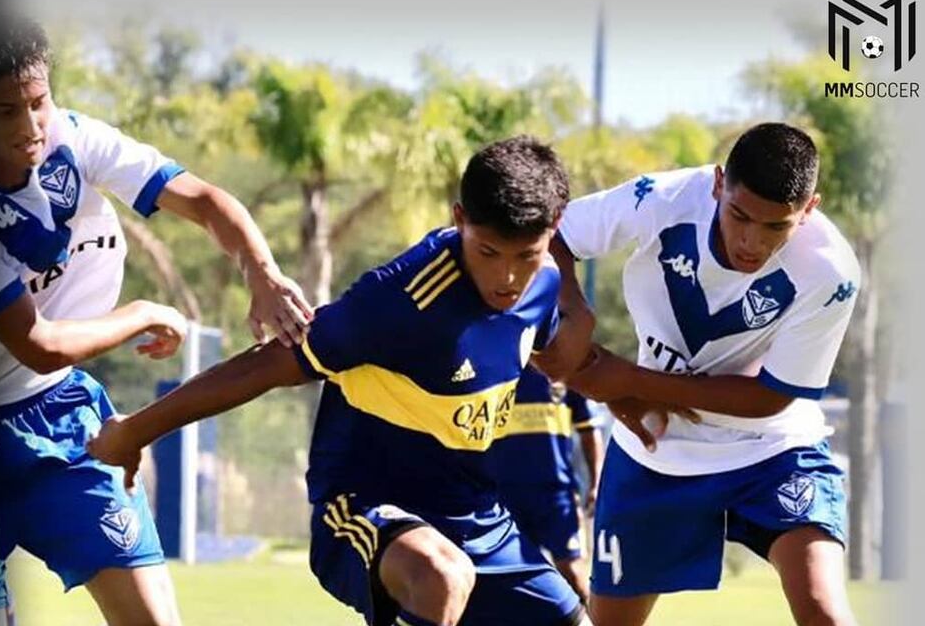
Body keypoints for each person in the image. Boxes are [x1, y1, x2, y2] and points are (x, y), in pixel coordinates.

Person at [88, 135, 594, 626]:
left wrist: (633, 396)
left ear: (553, 232)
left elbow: (568, 359)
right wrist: (137, 431)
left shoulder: (543, 283)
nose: (507, 278)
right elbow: (266, 366)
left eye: (525, 257)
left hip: (478, 517)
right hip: (363, 508)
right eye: (488, 253)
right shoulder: (400, 299)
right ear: (460, 220)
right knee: (441, 574)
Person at [0, 16, 312, 626]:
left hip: (61, 416)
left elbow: (202, 201)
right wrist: (143, 313)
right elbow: (39, 344)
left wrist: (262, 272)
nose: (29, 127)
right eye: (5, 111)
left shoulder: (77, 140)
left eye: (38, 102)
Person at [551, 123, 859, 625]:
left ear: (810, 209)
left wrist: (629, 382)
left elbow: (769, 398)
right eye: (739, 215)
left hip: (773, 449)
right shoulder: (663, 199)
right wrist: (576, 329)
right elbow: (553, 235)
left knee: (825, 611)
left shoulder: (831, 272)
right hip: (655, 449)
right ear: (718, 183)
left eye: (776, 227)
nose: (752, 242)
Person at [491, 364, 602, 602]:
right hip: (503, 496)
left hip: (556, 494)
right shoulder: (497, 365)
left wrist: (596, 481)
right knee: (510, 585)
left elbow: (589, 430)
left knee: (573, 574)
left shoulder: (563, 367)